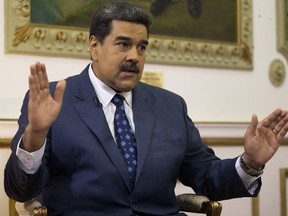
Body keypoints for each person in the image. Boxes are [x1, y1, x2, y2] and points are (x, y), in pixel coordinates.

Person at [4, 1, 288, 215]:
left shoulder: (170, 106)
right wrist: (35, 136)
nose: (134, 57)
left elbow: (206, 177)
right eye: (123, 44)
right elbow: (20, 189)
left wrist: (251, 162)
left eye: (141, 47)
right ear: (94, 46)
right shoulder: (53, 100)